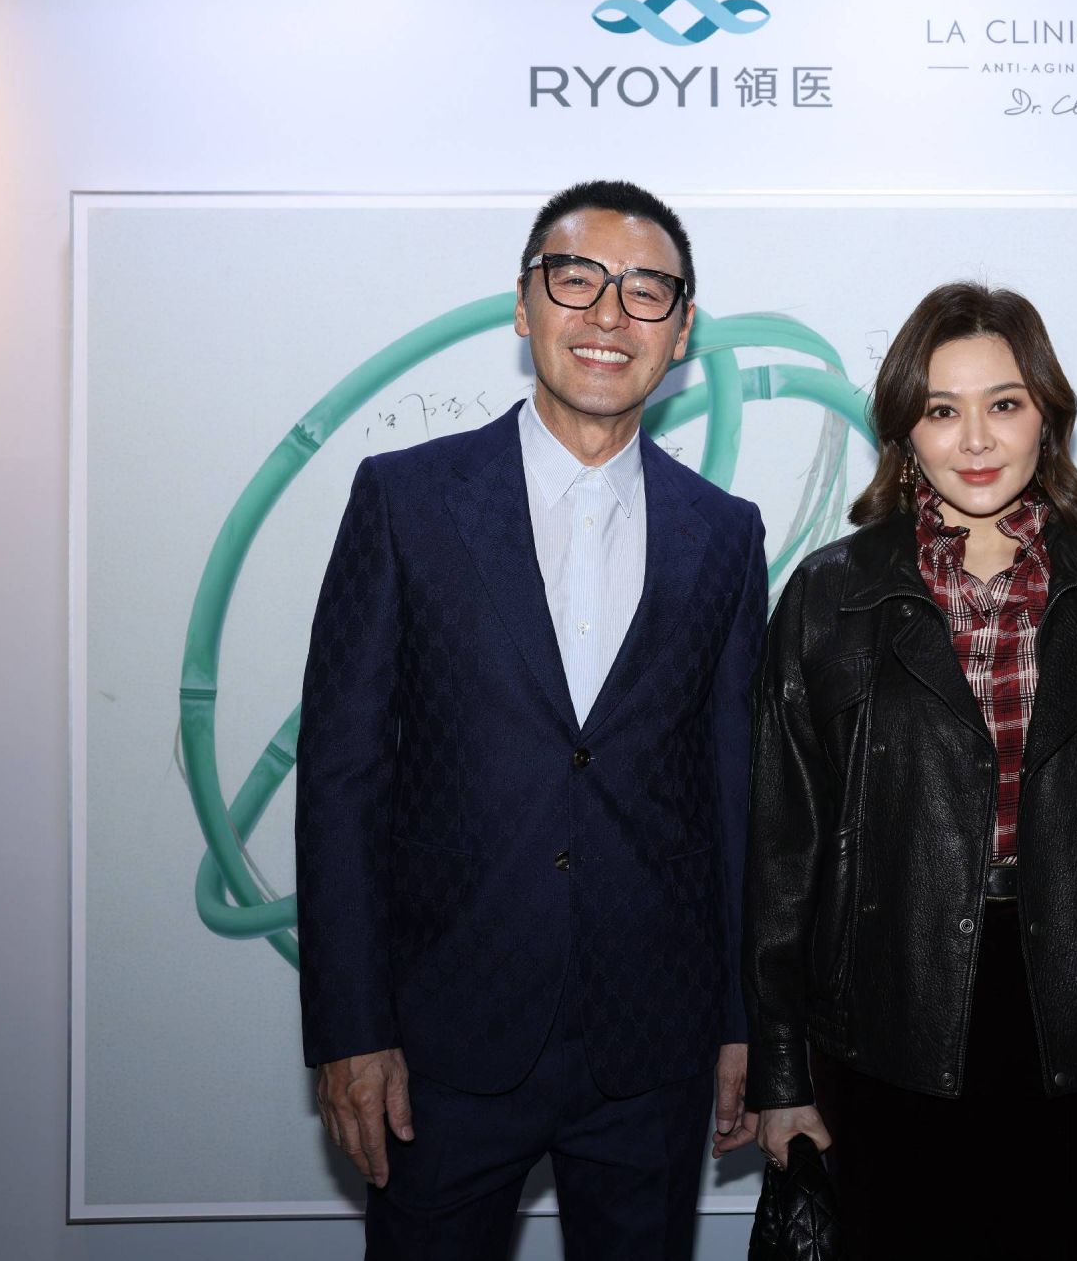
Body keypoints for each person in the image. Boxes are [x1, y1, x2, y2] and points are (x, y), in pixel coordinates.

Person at [295, 179, 767, 1260]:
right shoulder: (405, 501)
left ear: (681, 331)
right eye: (576, 279)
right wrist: (351, 1026)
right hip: (439, 1042)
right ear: (523, 304)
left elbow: (734, 786)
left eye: (645, 291)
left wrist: (747, 1021)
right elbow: (342, 777)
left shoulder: (724, 533)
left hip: (652, 1044)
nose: (608, 314)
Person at [743, 282, 1077, 1261]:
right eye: (942, 410)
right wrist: (781, 1074)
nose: (975, 439)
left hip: (1071, 1016)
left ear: (1045, 418)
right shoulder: (828, 598)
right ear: (906, 429)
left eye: (1004, 403)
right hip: (883, 1011)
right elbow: (781, 856)